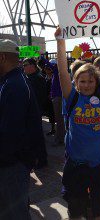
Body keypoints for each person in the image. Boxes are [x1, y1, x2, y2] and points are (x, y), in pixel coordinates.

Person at [55, 25, 100, 219]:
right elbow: (62, 72)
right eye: (82, 81)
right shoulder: (72, 97)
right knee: (76, 208)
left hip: (99, 163)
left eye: (91, 81)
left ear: (96, 82)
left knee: (99, 208)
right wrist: (60, 41)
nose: (87, 84)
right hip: (76, 162)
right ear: (75, 83)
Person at [0, 39, 45, 220]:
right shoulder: (13, 81)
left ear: (2, 57)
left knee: (14, 213)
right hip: (13, 162)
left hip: (12, 164)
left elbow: (11, 133)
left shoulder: (14, 86)